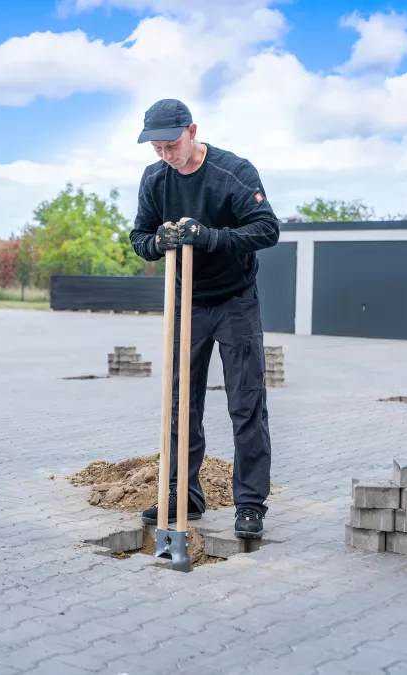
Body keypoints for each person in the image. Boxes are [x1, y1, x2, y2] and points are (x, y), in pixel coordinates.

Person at [129, 99, 280, 538]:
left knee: (245, 403)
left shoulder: (233, 172)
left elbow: (267, 229)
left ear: (192, 131)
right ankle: (183, 494)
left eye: (171, 145)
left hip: (235, 301)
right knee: (180, 403)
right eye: (156, 148)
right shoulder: (155, 178)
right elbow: (139, 236)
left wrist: (209, 236)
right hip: (186, 302)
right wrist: (157, 241)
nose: (165, 155)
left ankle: (249, 504)